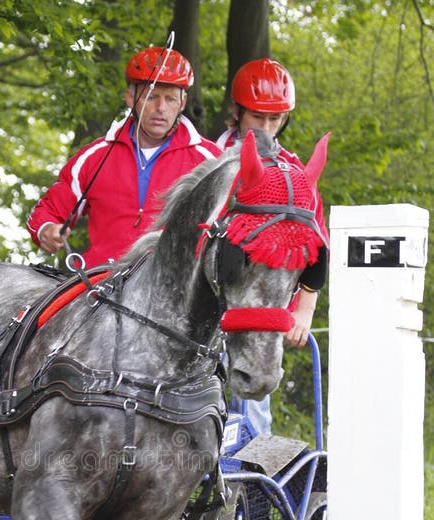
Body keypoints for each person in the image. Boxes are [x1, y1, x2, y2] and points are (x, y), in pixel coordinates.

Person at [27, 45, 221, 268]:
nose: (161, 108)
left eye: (171, 99)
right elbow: (47, 211)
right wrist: (46, 229)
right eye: (151, 96)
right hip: (98, 286)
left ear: (183, 103)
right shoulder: (95, 155)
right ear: (130, 98)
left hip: (173, 290)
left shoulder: (211, 160)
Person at [216, 58, 328, 434]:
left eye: (275, 119)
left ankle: (250, 484)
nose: (266, 129)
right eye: (257, 118)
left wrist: (304, 311)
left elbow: (314, 246)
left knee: (252, 410)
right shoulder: (205, 158)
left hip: (258, 315)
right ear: (236, 112)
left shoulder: (296, 175)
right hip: (203, 307)